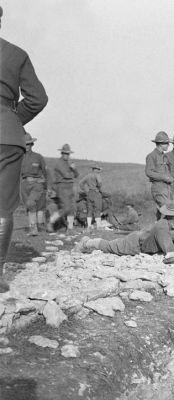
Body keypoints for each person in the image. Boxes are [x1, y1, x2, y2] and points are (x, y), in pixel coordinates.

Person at [0, 5, 48, 292]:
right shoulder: (16, 54)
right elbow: (38, 99)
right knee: (2, 208)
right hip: (6, 137)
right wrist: (11, 119)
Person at [74, 197, 174, 256]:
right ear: (173, 216)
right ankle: (87, 242)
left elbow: (173, 236)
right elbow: (169, 250)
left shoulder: (170, 224)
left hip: (140, 240)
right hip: (134, 244)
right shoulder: (162, 226)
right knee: (109, 246)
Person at [20, 132, 48, 235]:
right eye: (24, 144)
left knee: (30, 203)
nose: (26, 146)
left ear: (32, 144)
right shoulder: (19, 157)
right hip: (24, 184)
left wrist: (46, 186)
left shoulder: (38, 157)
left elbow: (45, 173)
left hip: (36, 184)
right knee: (28, 206)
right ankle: (32, 226)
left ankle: (34, 228)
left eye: (28, 144)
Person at [145, 132, 174, 217]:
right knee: (167, 209)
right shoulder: (151, 156)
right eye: (167, 143)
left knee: (162, 211)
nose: (168, 145)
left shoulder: (164, 156)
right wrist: (164, 177)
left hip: (167, 188)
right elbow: (149, 172)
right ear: (161, 144)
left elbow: (167, 171)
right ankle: (163, 228)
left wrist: (171, 178)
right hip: (158, 188)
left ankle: (159, 228)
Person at [53, 144, 79, 231]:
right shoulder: (59, 163)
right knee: (66, 208)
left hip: (70, 187)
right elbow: (67, 175)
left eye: (68, 154)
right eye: (65, 153)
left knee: (71, 208)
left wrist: (74, 169)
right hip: (62, 187)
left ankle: (70, 227)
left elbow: (77, 175)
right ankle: (52, 220)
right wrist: (72, 170)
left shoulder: (68, 163)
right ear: (62, 153)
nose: (67, 155)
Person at [78, 164, 103, 229]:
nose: (99, 171)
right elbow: (100, 183)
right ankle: (98, 226)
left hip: (89, 193)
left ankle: (89, 226)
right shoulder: (97, 175)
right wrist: (98, 188)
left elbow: (80, 183)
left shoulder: (87, 176)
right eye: (98, 169)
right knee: (98, 209)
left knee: (89, 210)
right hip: (96, 193)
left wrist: (85, 190)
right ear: (96, 169)